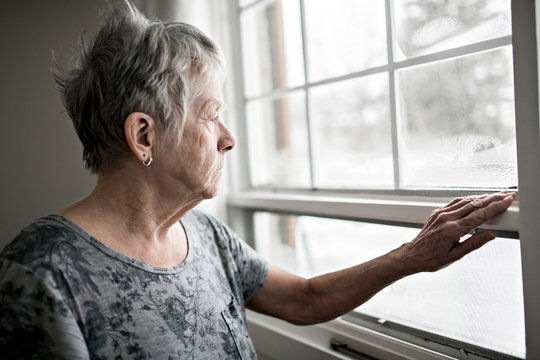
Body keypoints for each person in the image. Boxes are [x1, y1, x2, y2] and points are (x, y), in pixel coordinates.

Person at [0, 1, 516, 359]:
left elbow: (305, 299)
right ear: (143, 136)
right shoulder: (41, 271)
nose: (228, 138)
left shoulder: (205, 236)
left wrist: (411, 257)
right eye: (210, 115)